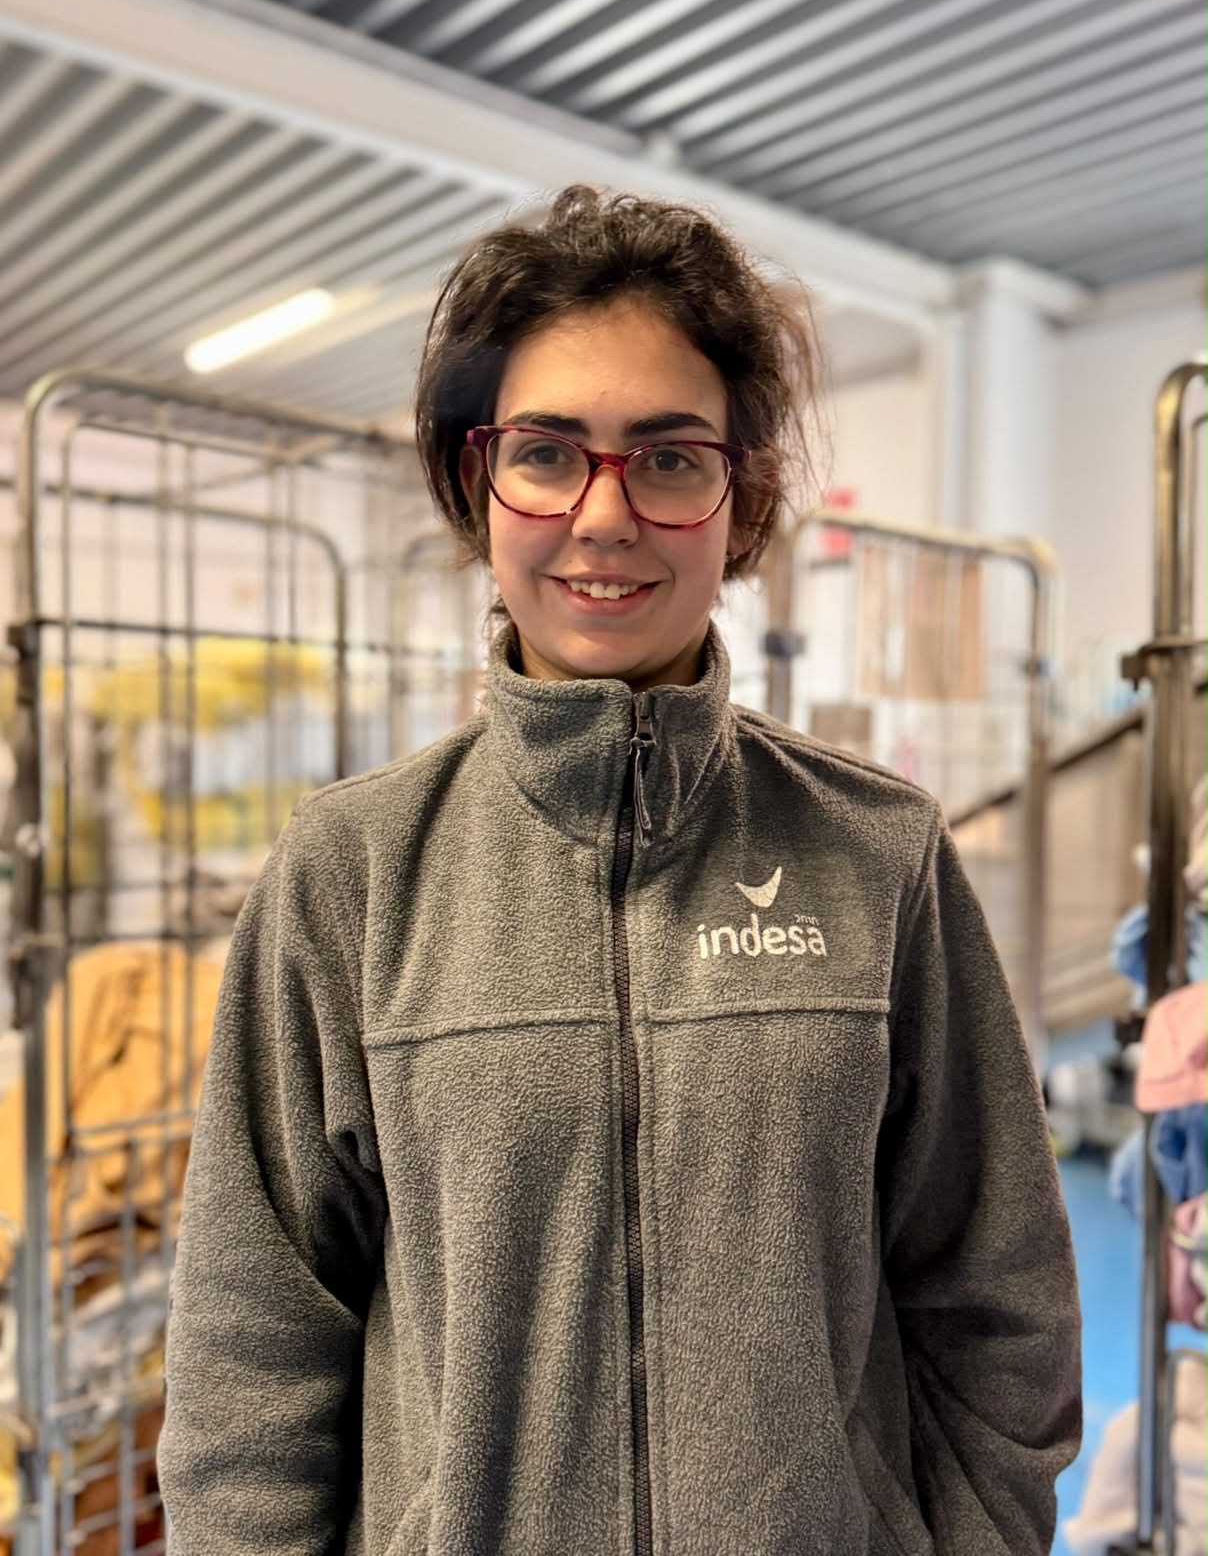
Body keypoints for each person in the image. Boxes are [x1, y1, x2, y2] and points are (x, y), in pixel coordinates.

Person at [159, 186, 1081, 1555]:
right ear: (477, 478)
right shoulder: (351, 875)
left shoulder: (877, 853)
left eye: (669, 458)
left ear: (740, 493)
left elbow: (996, 1297)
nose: (604, 515)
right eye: (546, 453)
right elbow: (251, 1353)